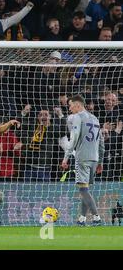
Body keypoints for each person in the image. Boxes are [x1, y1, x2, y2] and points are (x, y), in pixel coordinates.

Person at [61, 95, 104, 226]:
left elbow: (73, 140)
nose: (69, 108)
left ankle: (96, 217)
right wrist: (100, 161)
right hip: (94, 158)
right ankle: (82, 219)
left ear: (78, 105)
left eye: (70, 105)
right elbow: (101, 142)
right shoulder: (95, 119)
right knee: (85, 188)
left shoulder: (77, 118)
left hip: (82, 158)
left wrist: (65, 158)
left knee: (83, 190)